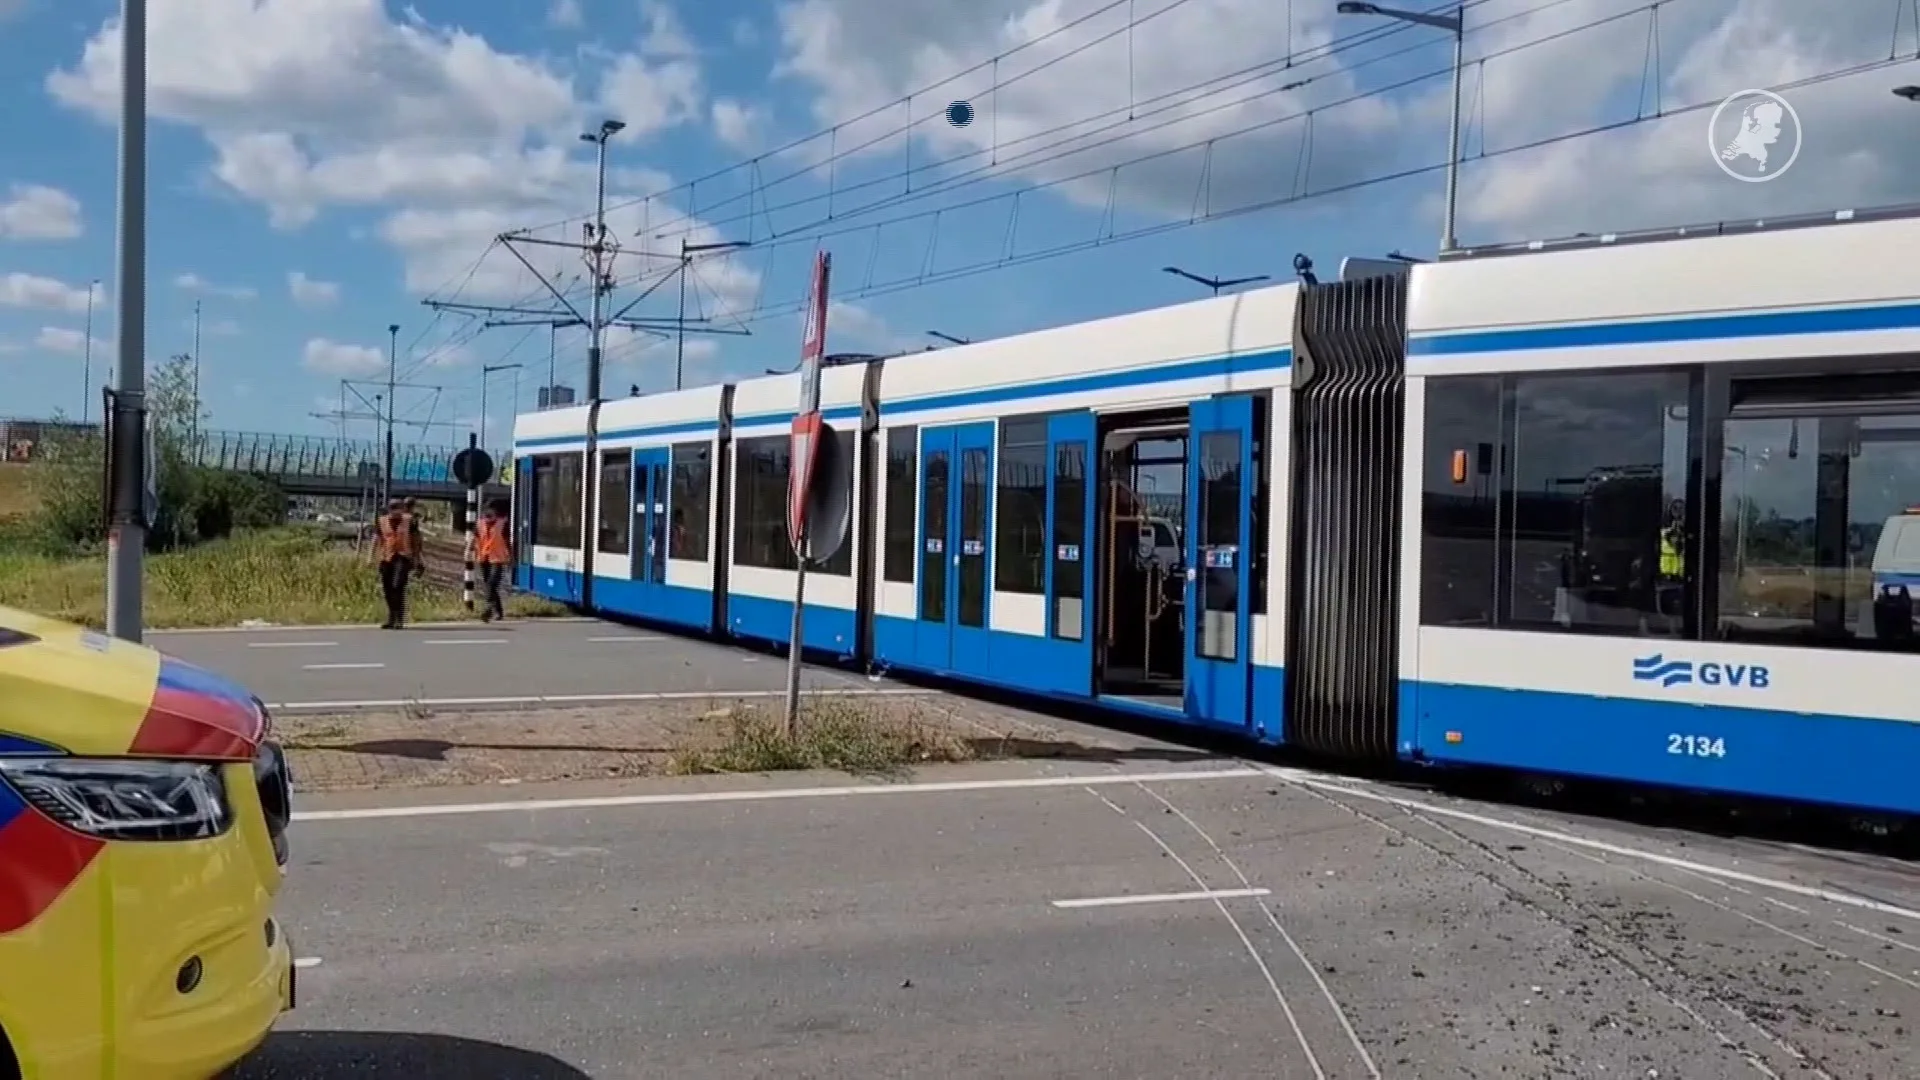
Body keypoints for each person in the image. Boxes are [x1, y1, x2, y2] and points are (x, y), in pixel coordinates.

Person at [375, 497, 421, 629]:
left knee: (398, 586)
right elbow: (377, 538)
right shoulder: (382, 521)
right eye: (394, 508)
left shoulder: (409, 521)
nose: (397, 511)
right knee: (387, 588)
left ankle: (399, 618)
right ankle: (391, 617)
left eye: (399, 508)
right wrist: (371, 556)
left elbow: (416, 540)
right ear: (389, 509)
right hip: (386, 557)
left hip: (403, 557)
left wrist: (417, 558)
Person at [475, 500, 512, 622]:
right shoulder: (480, 523)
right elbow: (475, 538)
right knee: (489, 586)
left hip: (497, 558)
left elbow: (508, 541)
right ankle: (498, 612)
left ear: (496, 512)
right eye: (486, 510)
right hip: (483, 558)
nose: (488, 512)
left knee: (491, 584)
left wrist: (512, 557)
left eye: (491, 510)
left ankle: (488, 609)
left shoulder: (502, 524)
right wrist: (469, 551)